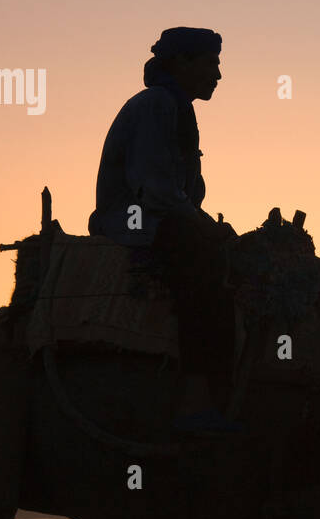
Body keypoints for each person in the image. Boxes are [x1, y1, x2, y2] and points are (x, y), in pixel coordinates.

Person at [88, 27, 240, 431]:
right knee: (204, 266)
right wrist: (205, 228)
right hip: (136, 222)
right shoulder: (157, 106)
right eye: (211, 63)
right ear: (182, 62)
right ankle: (194, 398)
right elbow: (156, 189)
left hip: (162, 218)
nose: (218, 75)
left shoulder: (175, 108)